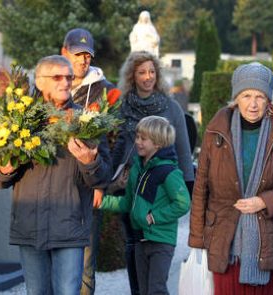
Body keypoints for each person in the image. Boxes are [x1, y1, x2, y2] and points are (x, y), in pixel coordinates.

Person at [0, 55, 111, 294]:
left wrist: (91, 161)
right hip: (29, 225)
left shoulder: (86, 121)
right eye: (57, 77)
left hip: (70, 226)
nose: (65, 82)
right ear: (40, 81)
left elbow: (103, 177)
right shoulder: (19, 120)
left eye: (69, 77)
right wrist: (5, 169)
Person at [189, 62, 273, 295]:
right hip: (225, 241)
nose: (253, 104)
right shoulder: (216, 130)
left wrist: (265, 201)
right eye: (246, 96)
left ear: (269, 100)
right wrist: (196, 240)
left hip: (268, 242)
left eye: (259, 97)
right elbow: (201, 186)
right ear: (236, 98)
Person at [111, 50, 195, 294]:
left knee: (156, 243)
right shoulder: (122, 107)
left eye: (151, 71)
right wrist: (109, 180)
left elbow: (183, 150)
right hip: (130, 183)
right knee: (133, 242)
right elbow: (115, 146)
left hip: (161, 187)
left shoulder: (170, 107)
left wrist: (188, 184)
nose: (147, 77)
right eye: (141, 72)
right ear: (132, 76)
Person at [97, 115, 190, 295]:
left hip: (161, 242)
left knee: (156, 290)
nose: (137, 142)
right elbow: (127, 203)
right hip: (140, 239)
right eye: (137, 137)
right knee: (143, 290)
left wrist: (154, 217)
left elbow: (183, 203)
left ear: (157, 143)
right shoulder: (137, 170)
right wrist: (103, 201)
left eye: (143, 138)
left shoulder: (169, 172)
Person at [61, 27, 115, 294]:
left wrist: (101, 184)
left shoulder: (105, 92)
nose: (83, 60)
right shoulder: (52, 87)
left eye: (88, 55)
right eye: (77, 54)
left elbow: (115, 141)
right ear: (64, 53)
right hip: (57, 187)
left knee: (85, 265)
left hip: (88, 184)